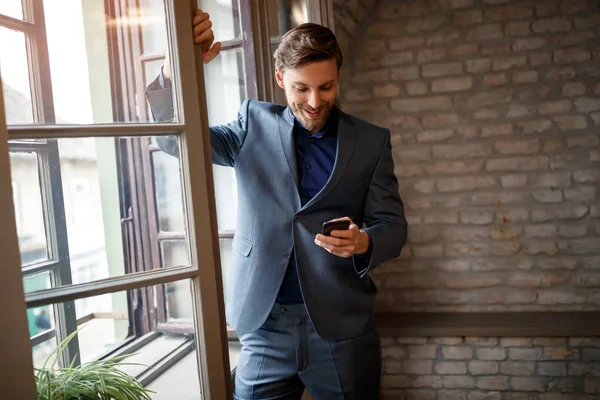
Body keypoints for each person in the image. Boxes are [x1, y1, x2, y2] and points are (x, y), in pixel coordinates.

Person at [146, 9, 408, 400]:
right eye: (302, 89)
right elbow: (173, 141)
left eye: (327, 87)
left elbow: (393, 226)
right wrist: (173, 70)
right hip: (264, 327)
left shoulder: (371, 141)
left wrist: (364, 242)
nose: (316, 101)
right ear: (280, 78)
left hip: (342, 331)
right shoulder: (252, 123)